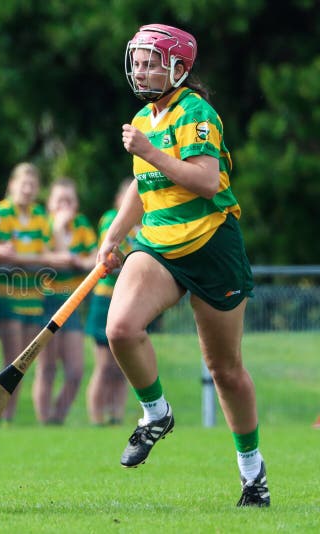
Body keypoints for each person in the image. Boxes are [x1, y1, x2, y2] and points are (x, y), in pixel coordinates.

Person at [96, 24, 269, 507]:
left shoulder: (196, 112)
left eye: (151, 62)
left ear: (178, 68)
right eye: (138, 60)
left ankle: (252, 473)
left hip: (212, 243)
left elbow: (208, 181)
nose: (141, 69)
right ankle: (155, 413)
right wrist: (113, 236)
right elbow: (141, 184)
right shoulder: (143, 117)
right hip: (159, 245)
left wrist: (150, 150)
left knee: (225, 370)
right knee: (121, 329)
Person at [0, 162, 50, 424]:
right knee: (12, 359)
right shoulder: (1, 211)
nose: (28, 189)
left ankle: (7, 416)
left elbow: (43, 253)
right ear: (11, 185)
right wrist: (27, 257)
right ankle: (0, 413)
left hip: (32, 296)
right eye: (23, 184)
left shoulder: (40, 215)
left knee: (22, 363)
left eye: (32, 185)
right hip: (4, 294)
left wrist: (26, 257)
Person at [33, 177, 96, 425]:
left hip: (72, 302)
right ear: (49, 203)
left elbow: (94, 256)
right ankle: (43, 420)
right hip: (46, 300)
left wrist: (78, 261)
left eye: (69, 200)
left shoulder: (82, 225)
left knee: (75, 371)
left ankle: (57, 418)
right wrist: (59, 230)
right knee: (47, 368)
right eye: (60, 200)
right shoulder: (44, 224)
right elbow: (48, 257)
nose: (65, 205)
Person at [84, 178, 136, 426]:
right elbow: (113, 253)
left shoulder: (148, 224)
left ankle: (116, 416)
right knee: (104, 365)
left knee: (124, 367)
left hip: (132, 299)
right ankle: (97, 419)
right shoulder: (111, 219)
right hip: (106, 298)